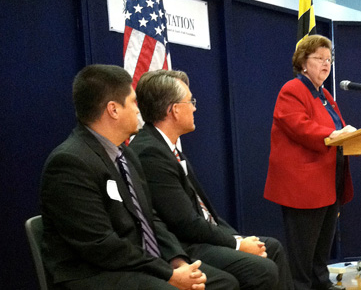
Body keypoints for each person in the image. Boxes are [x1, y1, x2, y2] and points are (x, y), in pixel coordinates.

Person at [40, 64, 238, 290]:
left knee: (223, 283)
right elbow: (101, 245)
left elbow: (150, 218)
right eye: (133, 102)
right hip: (93, 273)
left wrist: (176, 260)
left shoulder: (127, 155)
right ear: (113, 110)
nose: (138, 110)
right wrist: (167, 274)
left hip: (134, 264)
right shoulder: (70, 163)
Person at [129, 70, 293, 290]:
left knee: (272, 247)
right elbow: (185, 222)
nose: (195, 107)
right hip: (185, 245)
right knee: (263, 269)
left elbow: (205, 212)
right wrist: (237, 243)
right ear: (175, 110)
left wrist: (237, 239)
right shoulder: (150, 152)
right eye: (190, 101)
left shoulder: (166, 147)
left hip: (198, 236)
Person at [264, 35, 356, 290]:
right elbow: (299, 127)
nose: (326, 64)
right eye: (320, 59)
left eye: (329, 60)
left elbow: (335, 128)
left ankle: (321, 283)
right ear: (304, 62)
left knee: (321, 248)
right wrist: (332, 135)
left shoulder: (325, 94)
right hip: (303, 185)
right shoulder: (292, 90)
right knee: (302, 253)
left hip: (328, 181)